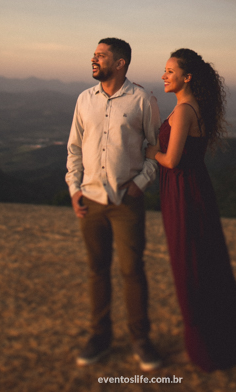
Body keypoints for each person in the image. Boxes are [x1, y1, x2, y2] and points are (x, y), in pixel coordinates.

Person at [146, 48, 236, 372]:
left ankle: (206, 349)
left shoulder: (184, 111)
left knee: (191, 266)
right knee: (202, 264)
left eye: (170, 71)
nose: (164, 76)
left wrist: (151, 150)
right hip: (189, 189)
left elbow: (171, 160)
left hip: (184, 193)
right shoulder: (187, 108)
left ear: (187, 76)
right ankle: (220, 340)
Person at [66, 38, 162, 370]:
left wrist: (140, 184)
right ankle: (100, 337)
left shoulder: (142, 100)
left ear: (120, 63)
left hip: (126, 202)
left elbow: (155, 149)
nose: (93, 59)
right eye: (94, 54)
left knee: (132, 272)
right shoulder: (84, 99)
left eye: (101, 56)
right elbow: (74, 148)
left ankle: (141, 340)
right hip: (89, 201)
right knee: (97, 271)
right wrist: (74, 189)